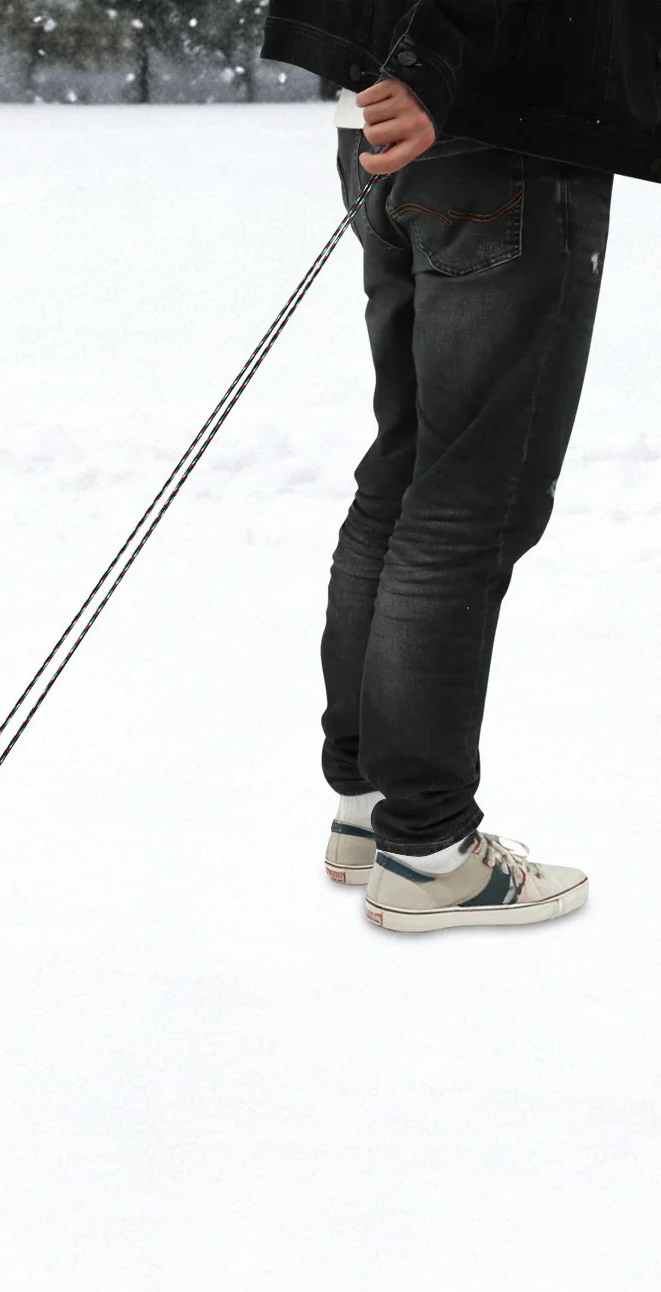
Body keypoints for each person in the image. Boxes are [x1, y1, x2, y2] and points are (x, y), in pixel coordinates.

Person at [259, 2, 661, 931]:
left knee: (406, 477)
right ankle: (429, 850)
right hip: (489, 122)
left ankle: (371, 808)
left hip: (393, 112)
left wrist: (404, 66)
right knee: (467, 502)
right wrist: (432, 65)